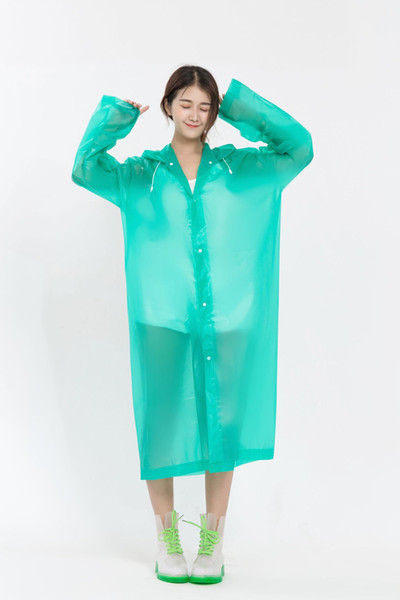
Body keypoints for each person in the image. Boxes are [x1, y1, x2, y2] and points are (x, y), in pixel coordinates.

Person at [71, 65, 314, 585]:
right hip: (160, 318)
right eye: (185, 103)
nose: (195, 114)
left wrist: (241, 106)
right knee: (160, 427)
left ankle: (212, 541)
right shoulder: (141, 174)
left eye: (206, 107)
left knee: (221, 428)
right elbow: (85, 168)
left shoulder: (237, 168)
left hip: (226, 319)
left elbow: (299, 148)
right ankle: (166, 539)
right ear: (168, 106)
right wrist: (115, 119)